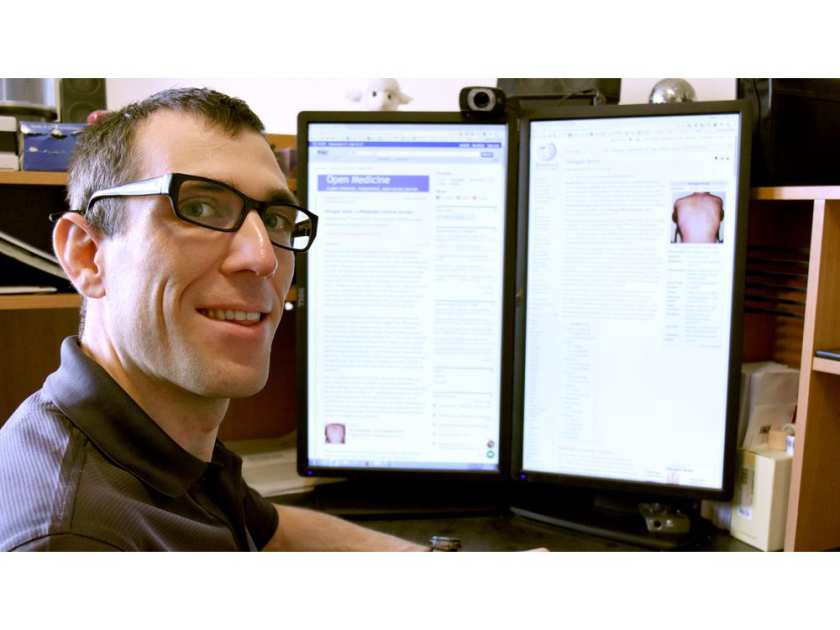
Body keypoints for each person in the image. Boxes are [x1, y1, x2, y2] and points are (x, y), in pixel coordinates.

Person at [0, 88, 427, 551]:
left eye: (276, 220)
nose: (263, 258)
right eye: (200, 208)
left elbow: (272, 533)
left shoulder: (158, 434)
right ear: (87, 256)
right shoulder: (73, 539)